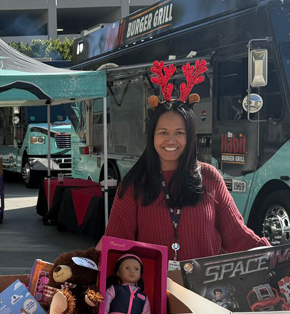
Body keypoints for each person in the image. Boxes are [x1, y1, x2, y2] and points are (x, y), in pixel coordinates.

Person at [104, 101, 269, 259]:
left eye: (179, 133)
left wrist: (272, 255)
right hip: (151, 279)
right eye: (163, 132)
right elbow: (116, 245)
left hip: (203, 279)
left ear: (190, 136)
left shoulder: (209, 177)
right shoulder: (134, 184)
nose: (171, 140)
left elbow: (237, 235)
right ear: (152, 136)